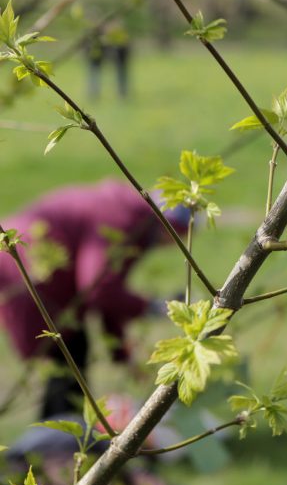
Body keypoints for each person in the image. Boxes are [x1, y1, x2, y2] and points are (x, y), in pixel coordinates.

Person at [0, 179, 187, 418]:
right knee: (67, 357)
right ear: (169, 227)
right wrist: (151, 307)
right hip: (25, 274)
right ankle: (58, 441)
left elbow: (105, 289)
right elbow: (98, 289)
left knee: (71, 355)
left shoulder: (132, 219)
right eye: (175, 238)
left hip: (42, 280)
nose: (169, 246)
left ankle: (60, 436)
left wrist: (122, 354)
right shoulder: (121, 221)